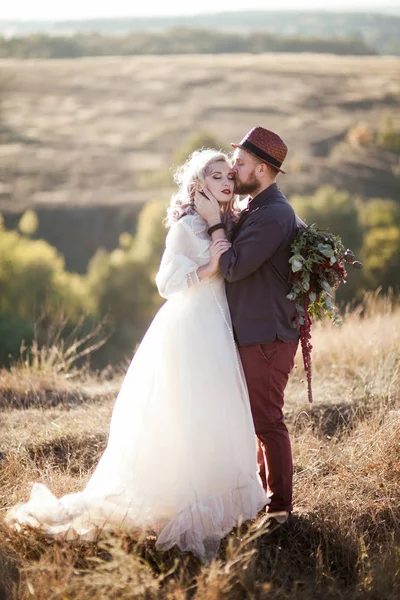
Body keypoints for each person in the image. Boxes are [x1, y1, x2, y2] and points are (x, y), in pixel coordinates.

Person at [6, 149, 267, 561]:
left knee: (214, 410)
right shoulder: (185, 227)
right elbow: (166, 282)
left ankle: (216, 491)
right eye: (216, 176)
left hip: (217, 326)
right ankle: (178, 495)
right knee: (184, 410)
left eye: (228, 177)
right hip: (189, 325)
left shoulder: (224, 222)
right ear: (198, 185)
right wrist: (207, 269)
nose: (226, 182)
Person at [194, 127, 305, 529]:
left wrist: (214, 226)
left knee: (267, 421)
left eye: (239, 163)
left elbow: (236, 266)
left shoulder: (273, 212)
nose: (233, 169)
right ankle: (263, 498)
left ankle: (279, 508)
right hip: (255, 332)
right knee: (257, 420)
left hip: (267, 336)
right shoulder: (259, 207)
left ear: (260, 169)